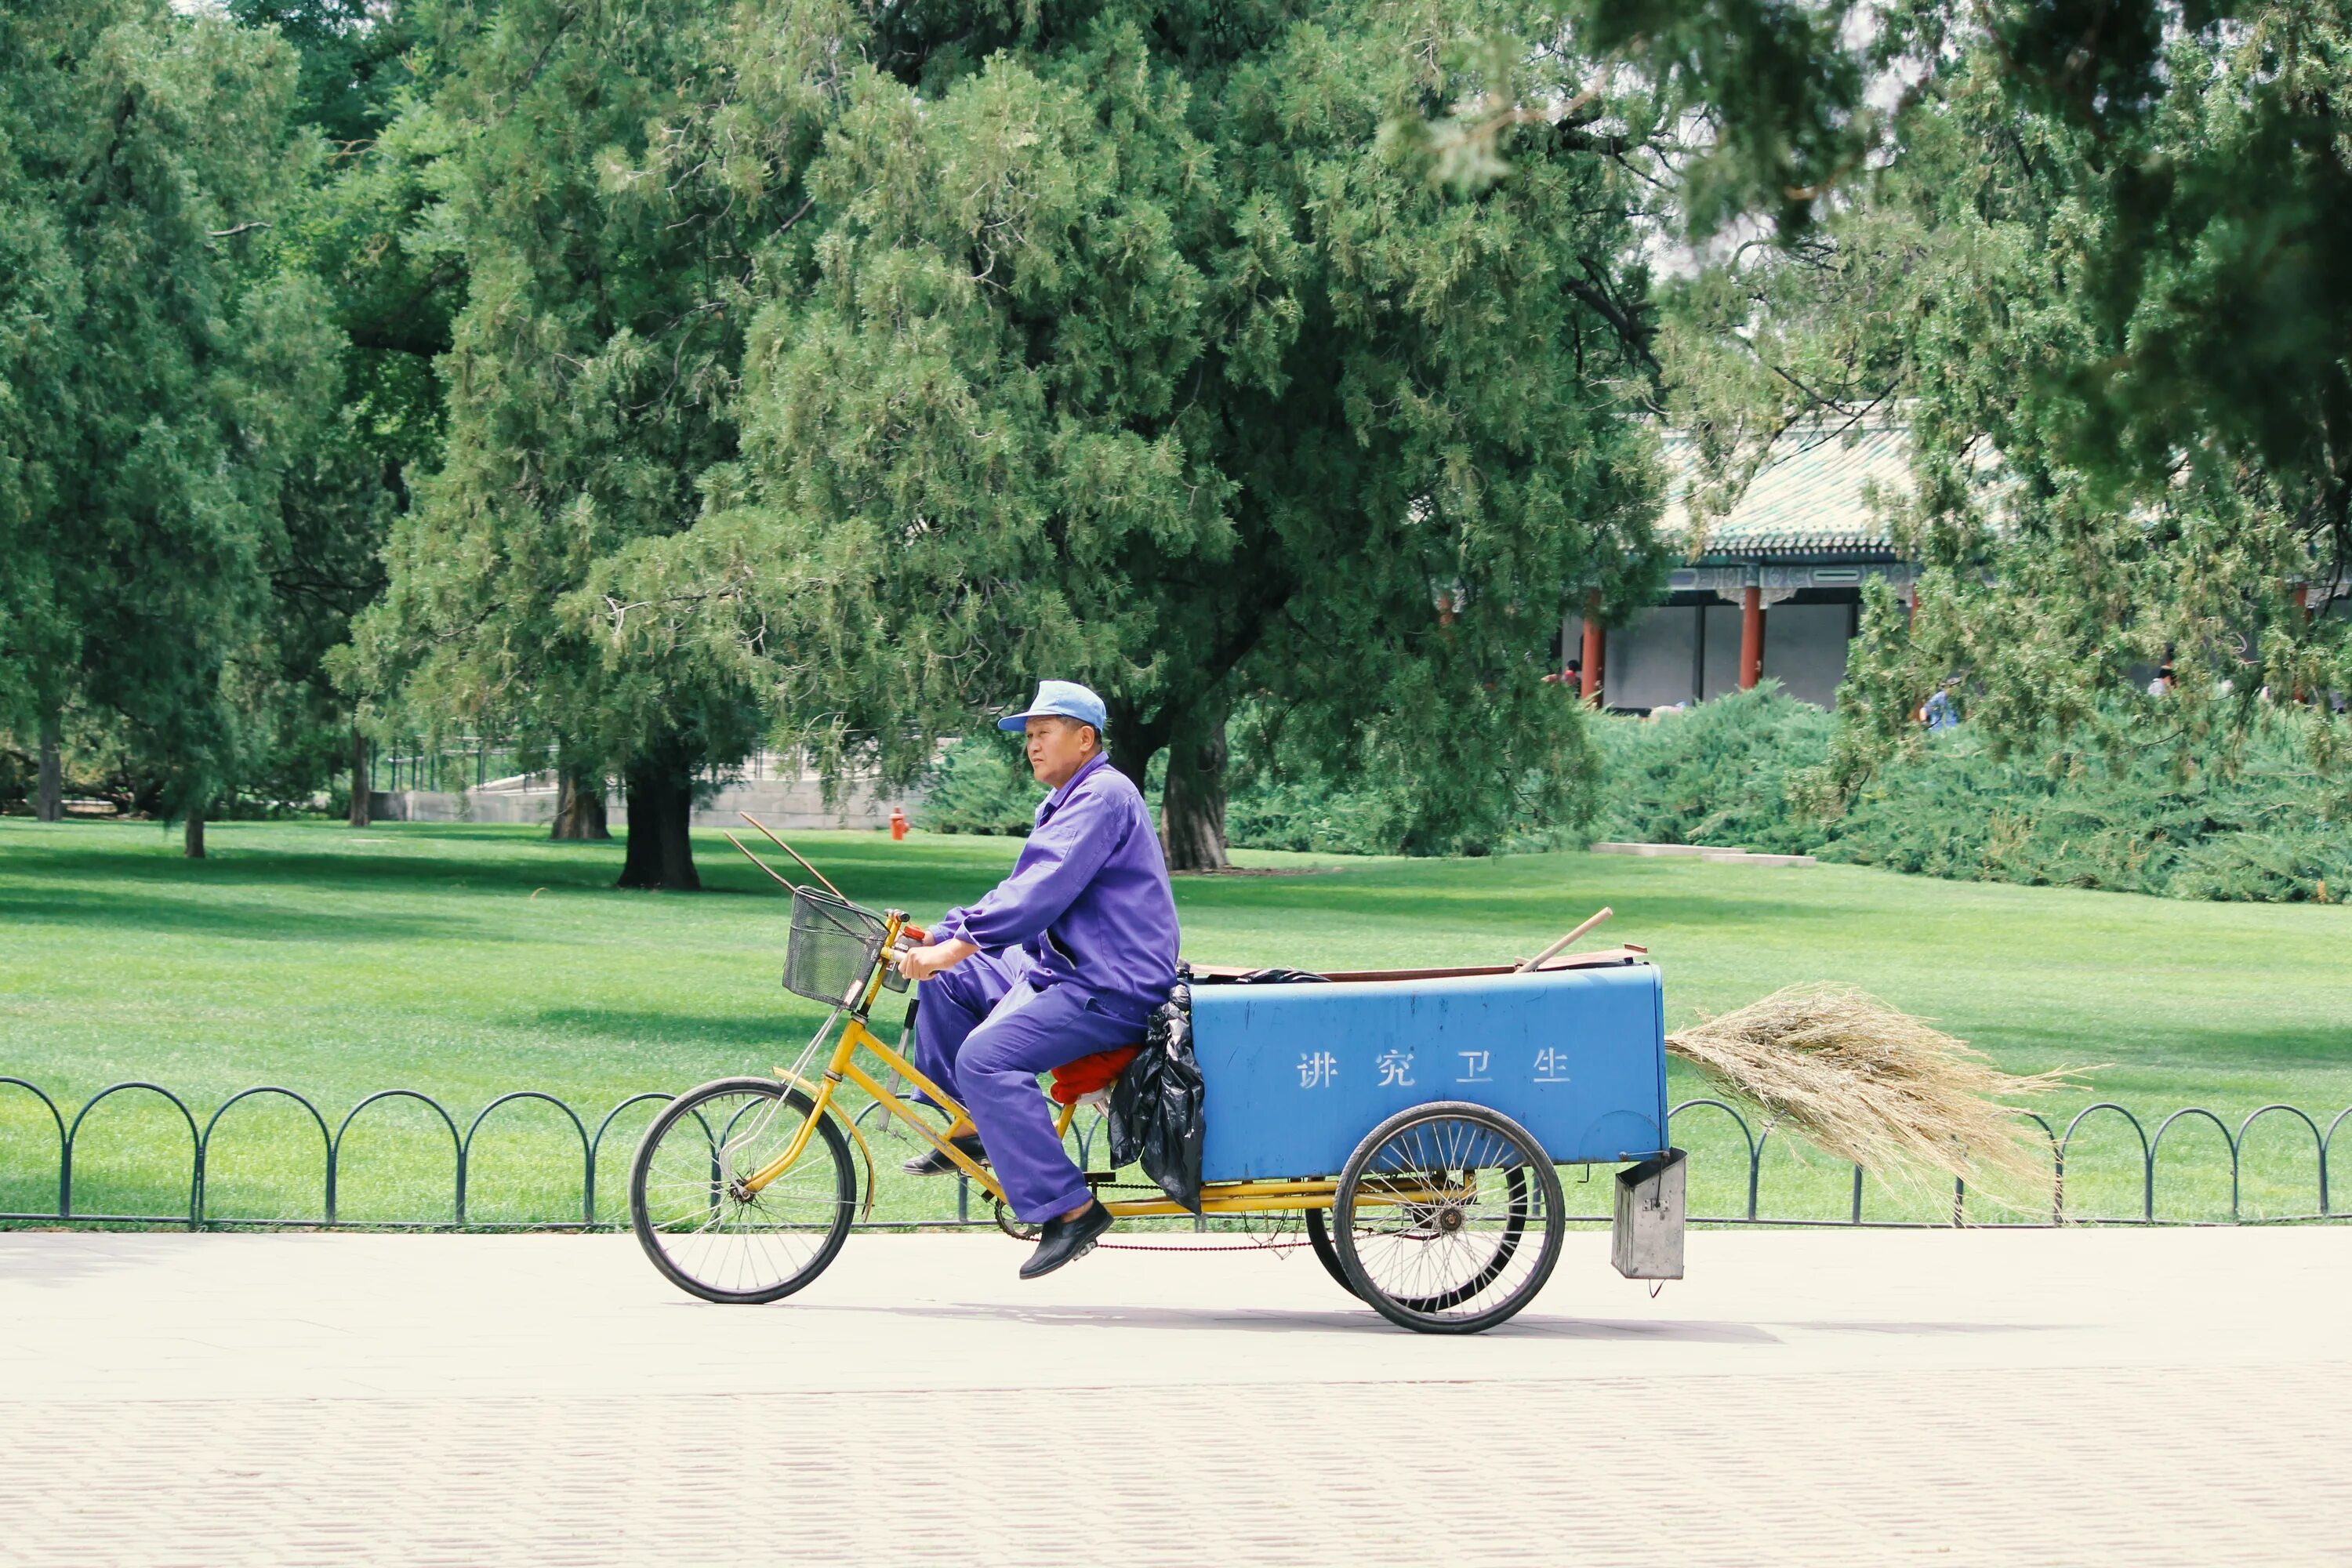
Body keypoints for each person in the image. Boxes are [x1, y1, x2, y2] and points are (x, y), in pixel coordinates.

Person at [891, 680, 1181, 1279]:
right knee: (950, 981)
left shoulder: (1102, 796)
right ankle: (975, 1126)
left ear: (1085, 738)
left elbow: (1039, 891)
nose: (1032, 745)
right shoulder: (1068, 798)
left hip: (1110, 985)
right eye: (1027, 736)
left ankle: (1070, 1210)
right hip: (1065, 968)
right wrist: (944, 937)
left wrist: (956, 945)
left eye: (1043, 732)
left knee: (986, 1059)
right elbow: (1023, 891)